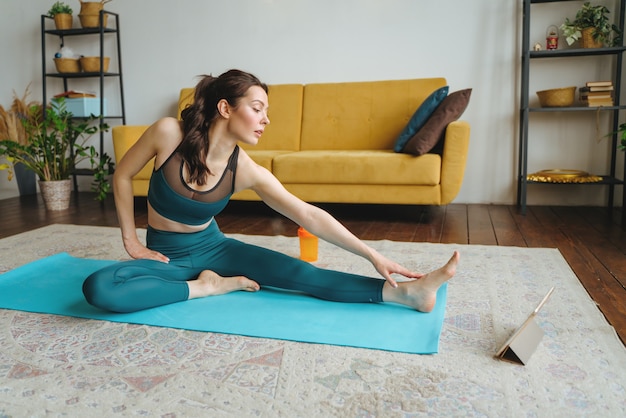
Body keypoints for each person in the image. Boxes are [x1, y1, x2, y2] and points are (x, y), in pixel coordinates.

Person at [82, 69, 459, 313]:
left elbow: (308, 214)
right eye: (257, 108)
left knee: (300, 274)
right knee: (100, 287)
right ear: (226, 108)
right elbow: (122, 176)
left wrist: (371, 254)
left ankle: (407, 294)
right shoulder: (168, 134)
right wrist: (131, 241)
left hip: (215, 247)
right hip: (165, 257)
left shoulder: (245, 168)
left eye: (267, 111)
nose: (266, 119)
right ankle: (208, 288)